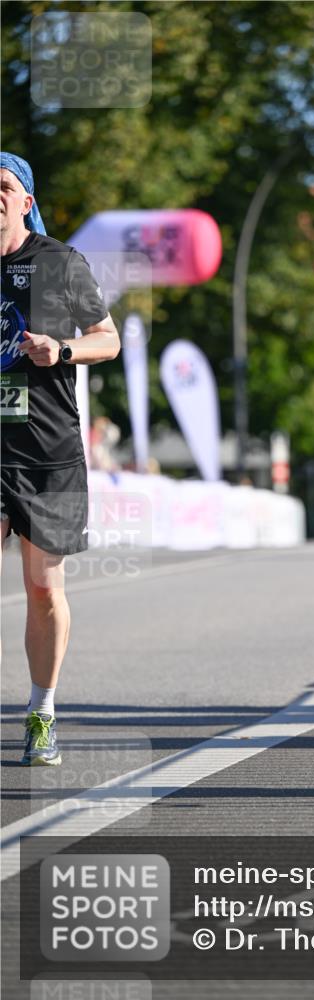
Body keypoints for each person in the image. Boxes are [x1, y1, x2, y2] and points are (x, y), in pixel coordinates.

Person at [1, 152, 120, 764]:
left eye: (4, 187)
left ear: (26, 200)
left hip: (48, 452)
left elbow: (110, 338)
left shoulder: (59, 263)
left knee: (42, 588)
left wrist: (62, 350)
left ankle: (41, 711)